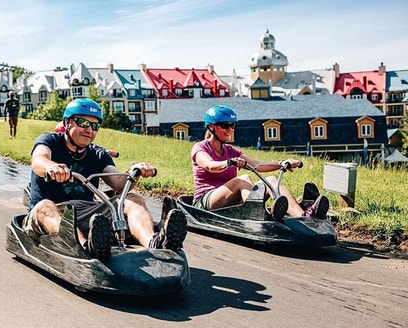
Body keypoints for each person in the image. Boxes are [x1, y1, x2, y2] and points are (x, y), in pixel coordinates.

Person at [24, 98, 187, 260]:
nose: (89, 129)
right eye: (83, 122)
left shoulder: (97, 153)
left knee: (132, 199)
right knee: (45, 206)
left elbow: (118, 182)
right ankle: (85, 248)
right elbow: (39, 160)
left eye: (94, 126)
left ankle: (154, 243)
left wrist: (134, 172)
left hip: (89, 214)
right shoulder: (49, 141)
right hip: (49, 212)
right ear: (67, 122)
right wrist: (50, 167)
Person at [191, 105, 329, 221]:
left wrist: (282, 163)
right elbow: (209, 165)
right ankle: (260, 216)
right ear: (211, 127)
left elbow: (257, 166)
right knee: (243, 179)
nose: (230, 129)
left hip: (231, 202)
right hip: (205, 202)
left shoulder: (230, 150)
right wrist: (229, 162)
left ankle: (304, 217)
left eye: (232, 125)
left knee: (272, 181)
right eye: (225, 125)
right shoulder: (200, 147)